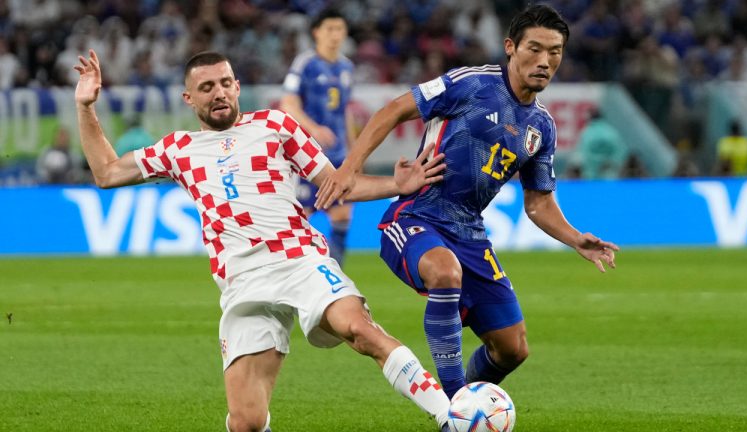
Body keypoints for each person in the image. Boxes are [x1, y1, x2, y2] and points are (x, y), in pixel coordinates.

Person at [73, 49, 453, 432]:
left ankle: (450, 416)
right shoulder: (178, 149)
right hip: (242, 281)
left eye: (225, 83)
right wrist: (86, 106)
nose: (218, 92)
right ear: (189, 99)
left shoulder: (275, 125)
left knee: (358, 328)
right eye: (206, 87)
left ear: (237, 86)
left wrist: (396, 185)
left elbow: (338, 183)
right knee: (247, 422)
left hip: (299, 260)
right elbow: (106, 173)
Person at [316, 4, 619, 400]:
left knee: (512, 348)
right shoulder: (472, 84)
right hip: (416, 216)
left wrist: (575, 237)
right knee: (444, 271)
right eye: (535, 49)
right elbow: (393, 110)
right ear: (510, 47)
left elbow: (538, 203)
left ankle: (468, 406)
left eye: (555, 52)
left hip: (470, 233)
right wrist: (348, 170)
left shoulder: (541, 126)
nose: (545, 61)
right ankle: (454, 407)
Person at [280, 8, 355, 268]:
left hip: (337, 156)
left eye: (339, 29)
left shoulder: (347, 67)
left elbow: (344, 110)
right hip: (305, 155)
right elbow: (288, 104)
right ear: (317, 32)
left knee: (343, 215)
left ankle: (335, 276)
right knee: (302, 217)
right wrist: (314, 128)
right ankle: (296, 273)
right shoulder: (305, 64)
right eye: (329, 29)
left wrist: (355, 153)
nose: (335, 35)